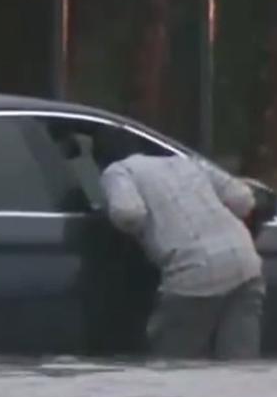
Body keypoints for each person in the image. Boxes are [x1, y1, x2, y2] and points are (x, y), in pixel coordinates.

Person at [93, 130, 265, 360]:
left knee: (173, 371)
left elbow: (128, 213)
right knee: (239, 366)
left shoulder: (118, 171)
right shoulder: (186, 163)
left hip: (193, 273)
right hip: (246, 263)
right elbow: (244, 199)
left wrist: (121, 220)